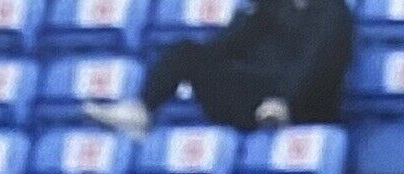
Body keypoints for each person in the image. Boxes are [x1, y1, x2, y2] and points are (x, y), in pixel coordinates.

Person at [84, 0, 354, 137]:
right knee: (188, 53)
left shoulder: (333, 12)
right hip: (258, 94)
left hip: (305, 108)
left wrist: (285, 99)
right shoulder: (272, 7)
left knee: (299, 76)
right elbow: (228, 45)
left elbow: (319, 67)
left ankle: (279, 109)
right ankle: (141, 111)